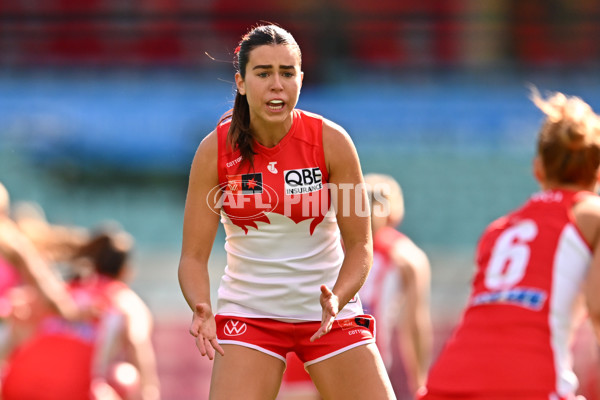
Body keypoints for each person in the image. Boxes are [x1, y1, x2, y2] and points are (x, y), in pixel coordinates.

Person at [178, 24, 396, 399]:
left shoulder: (333, 142)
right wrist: (201, 306)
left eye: (287, 73)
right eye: (263, 73)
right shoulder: (214, 151)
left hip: (331, 314)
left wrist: (338, 297)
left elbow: (360, 245)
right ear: (241, 82)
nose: (276, 84)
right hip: (249, 315)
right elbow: (193, 258)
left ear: (300, 79)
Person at [418, 89, 600, 400]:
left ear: (538, 169)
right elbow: (597, 307)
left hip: (448, 382)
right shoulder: (591, 216)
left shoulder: (499, 229)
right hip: (530, 382)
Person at [1, 226, 161, 400]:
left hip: (16, 388)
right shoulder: (126, 302)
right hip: (71, 393)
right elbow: (137, 345)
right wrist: (149, 392)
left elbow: (12, 334)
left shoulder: (56, 295)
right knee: (125, 377)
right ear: (125, 271)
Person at [361, 173, 432, 399]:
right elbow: (414, 325)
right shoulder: (407, 257)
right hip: (365, 356)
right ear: (395, 212)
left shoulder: (328, 243)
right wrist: (419, 382)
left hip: (308, 355)